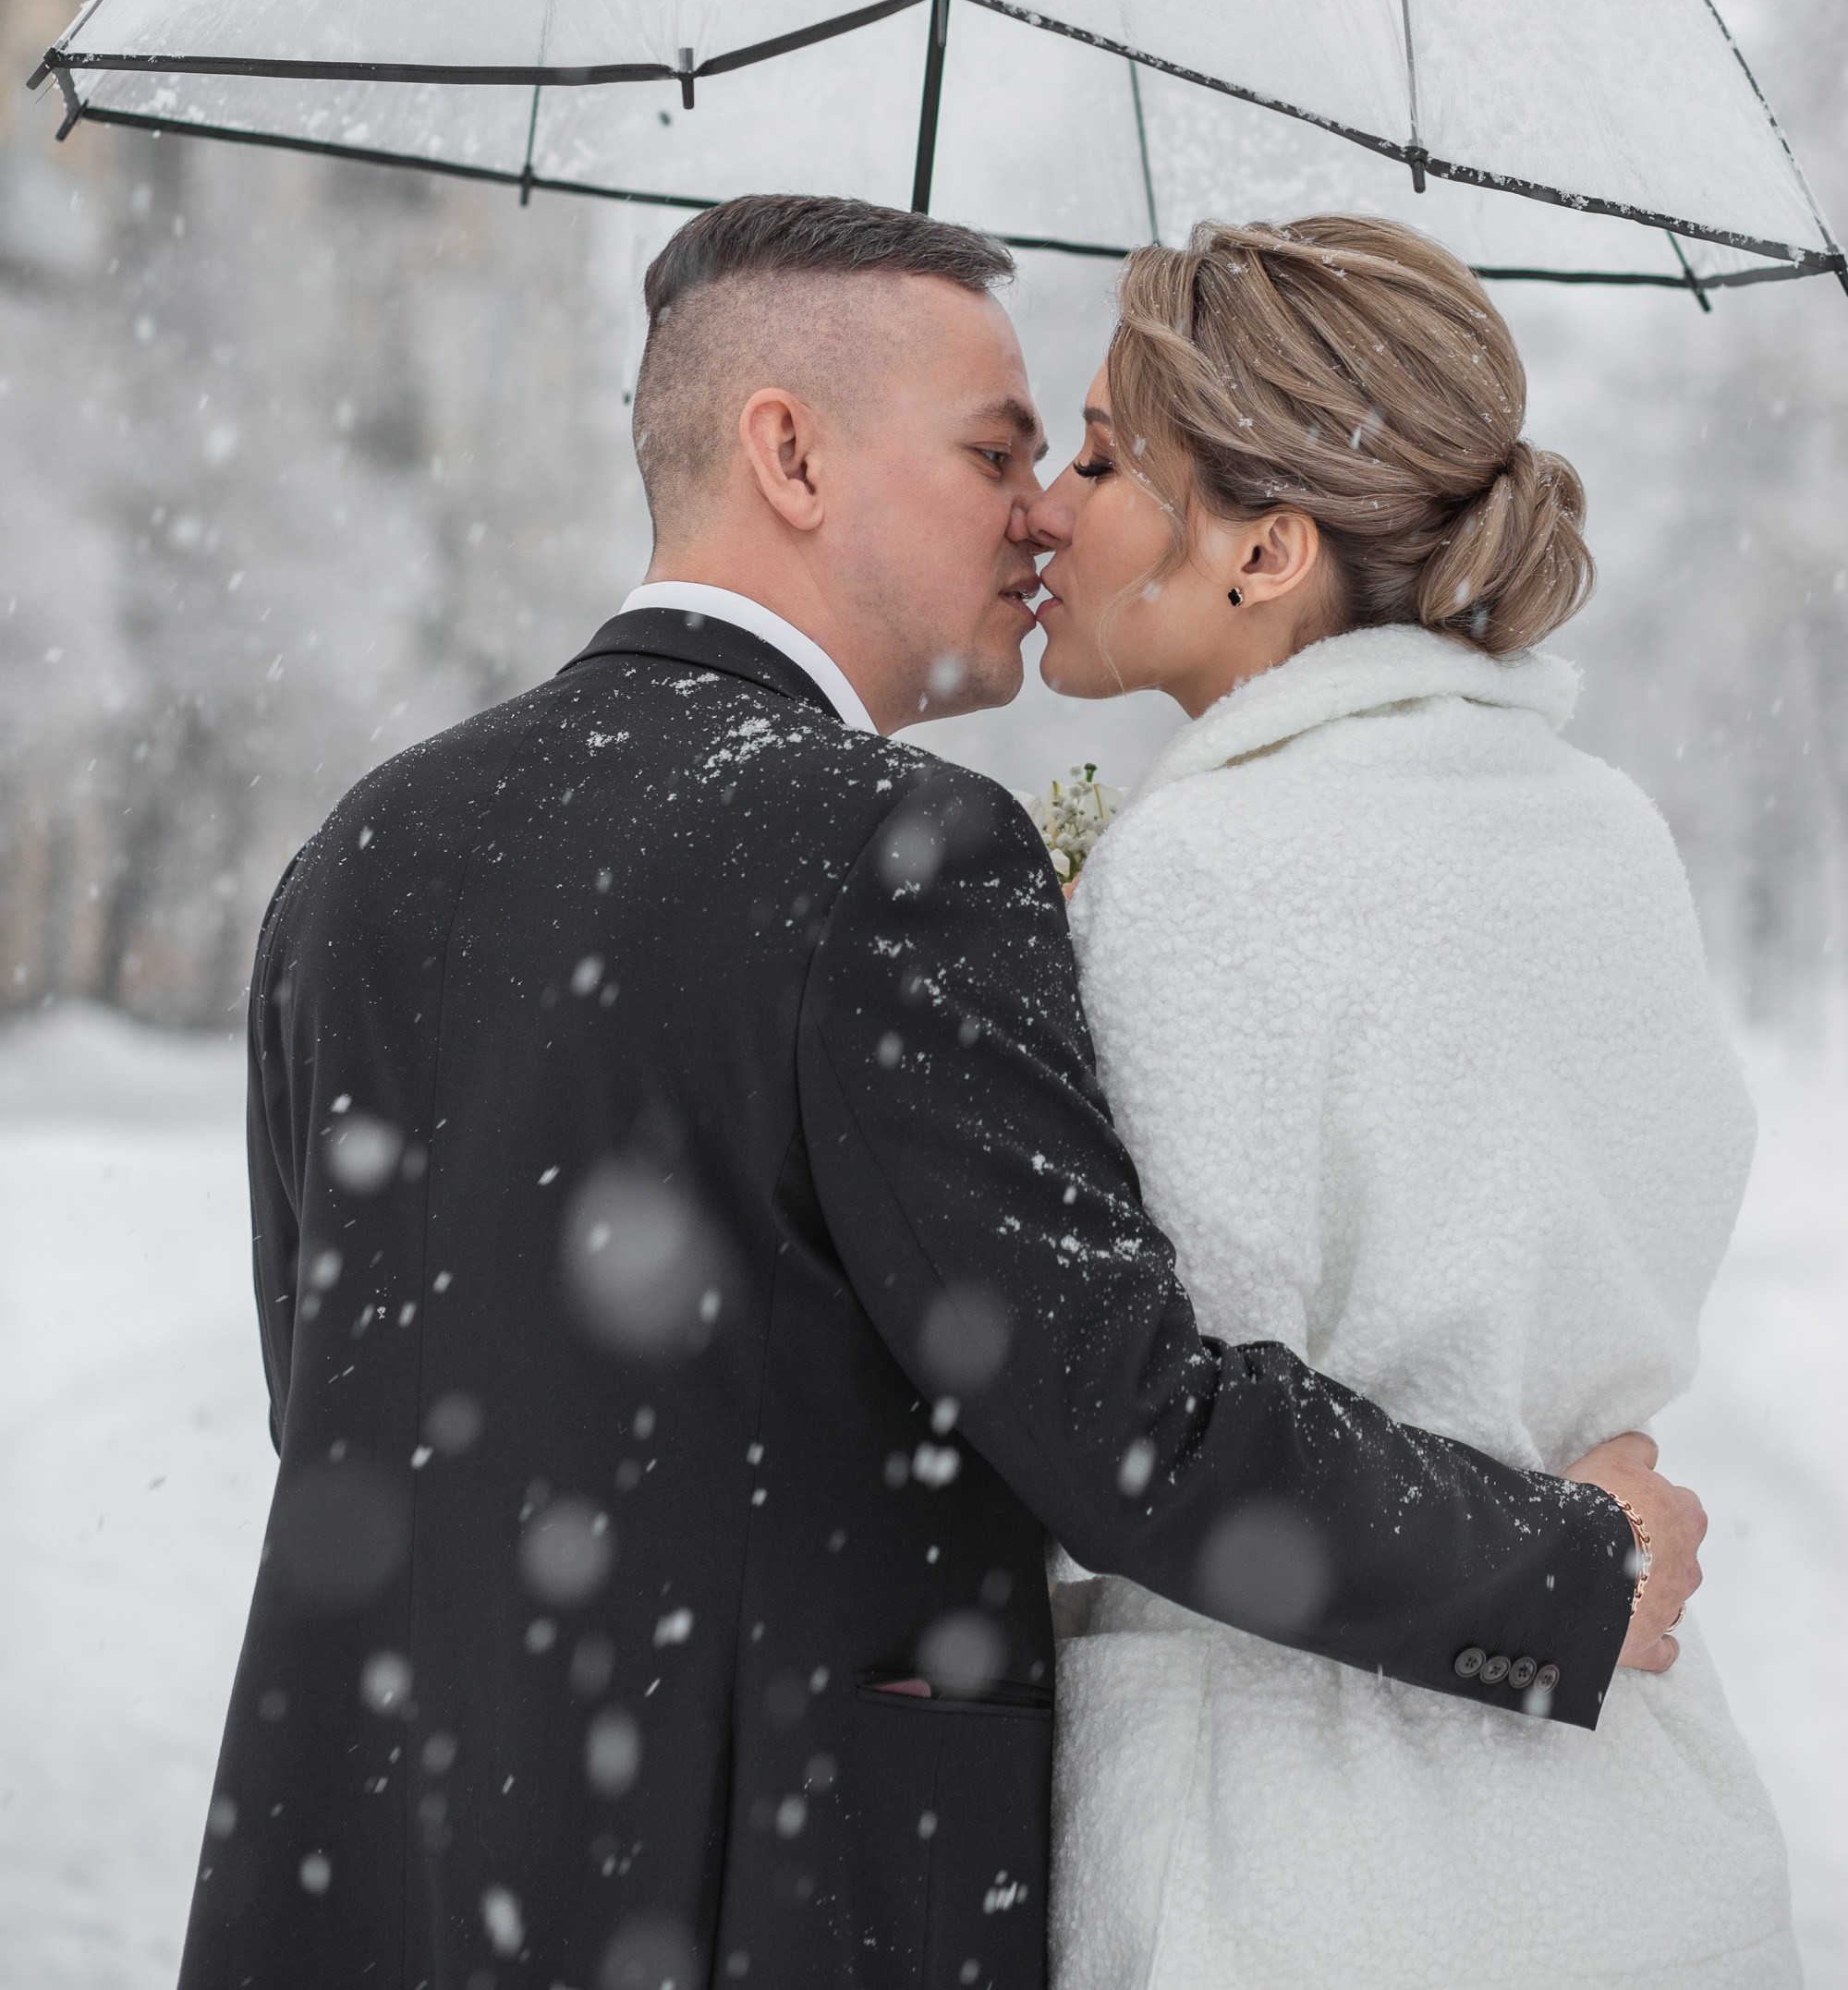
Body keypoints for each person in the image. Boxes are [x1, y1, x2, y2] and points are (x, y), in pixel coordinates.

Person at [179, 195, 1700, 1990]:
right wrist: (1566, 1573)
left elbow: (342, 1392)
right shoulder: (884, 855)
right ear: (790, 452)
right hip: (766, 1898)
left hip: (368, 1886)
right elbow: (1120, 1422)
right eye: (997, 447)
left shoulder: (366, 846)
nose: (1036, 511)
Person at [1030, 213, 1796, 1990]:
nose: (1053, 507)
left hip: (1295, 1840)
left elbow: (1156, 1426)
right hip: (1629, 1815)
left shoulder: (1208, 874)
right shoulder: (1605, 833)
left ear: (1266, 547)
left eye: (1101, 455)